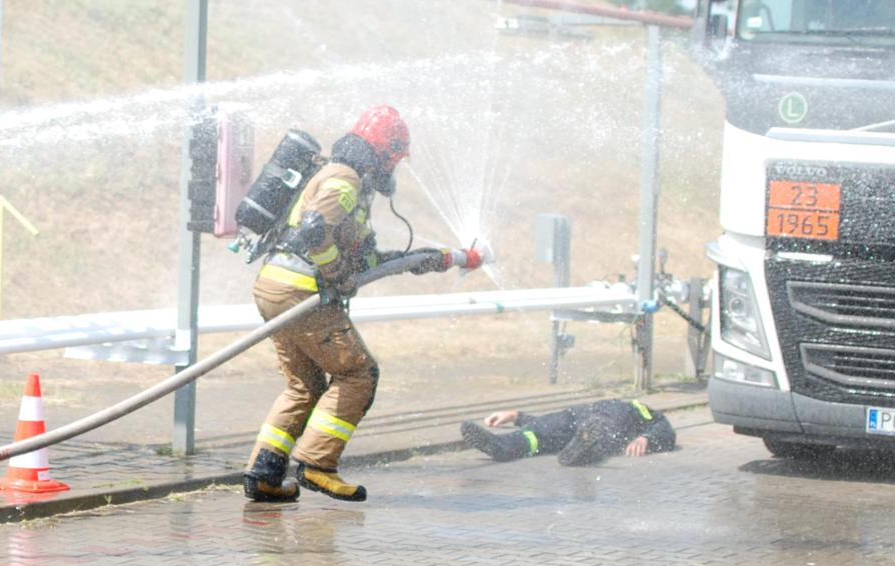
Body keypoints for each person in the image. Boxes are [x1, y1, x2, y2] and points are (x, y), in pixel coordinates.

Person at [242, 105, 484, 503]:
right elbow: (315, 233)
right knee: (359, 374)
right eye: (395, 158)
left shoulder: (340, 177)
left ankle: (264, 473)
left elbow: (366, 258)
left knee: (304, 385)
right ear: (385, 151)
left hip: (274, 286)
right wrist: (336, 272)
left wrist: (443, 258)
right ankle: (318, 465)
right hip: (303, 292)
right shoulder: (344, 180)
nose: (394, 168)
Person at [460, 399, 678, 466]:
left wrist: (646, 438)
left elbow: (665, 428)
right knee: (540, 431)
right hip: (573, 417)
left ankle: (582, 451)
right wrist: (516, 416)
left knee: (602, 434)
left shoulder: (636, 409)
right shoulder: (595, 405)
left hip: (608, 424)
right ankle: (502, 446)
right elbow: (542, 422)